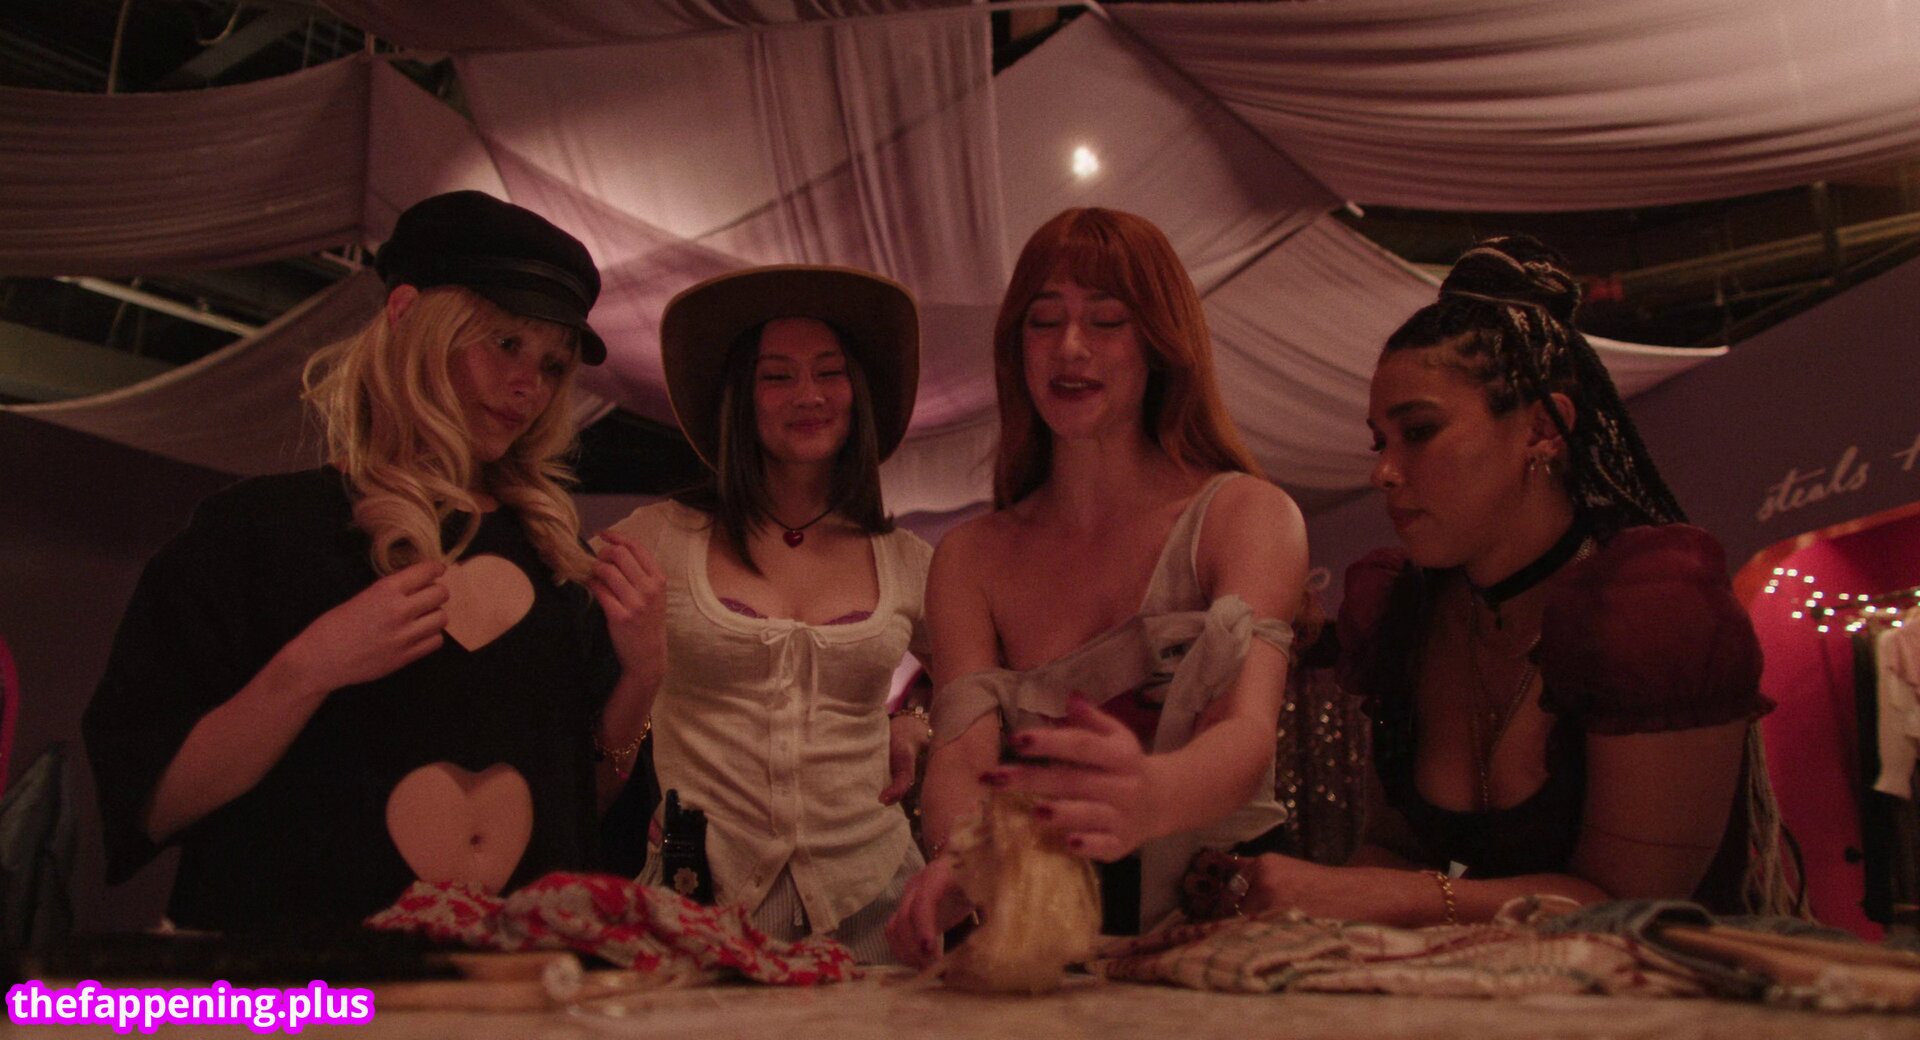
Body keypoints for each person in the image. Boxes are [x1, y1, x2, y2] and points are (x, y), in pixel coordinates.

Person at [83, 191, 661, 933]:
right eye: (505, 343)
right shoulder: (257, 530)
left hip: (507, 977)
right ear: (407, 314)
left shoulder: (558, 561)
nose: (530, 385)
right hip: (295, 973)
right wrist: (309, 667)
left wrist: (642, 676)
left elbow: (581, 812)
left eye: (552, 364)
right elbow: (154, 804)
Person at [1238, 235, 1794, 925]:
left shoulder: (1654, 612)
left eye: (1420, 430)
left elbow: (1638, 909)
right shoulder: (1407, 613)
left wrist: (1400, 896)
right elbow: (1395, 848)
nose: (1383, 472)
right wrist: (1294, 905)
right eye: (1381, 441)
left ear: (1541, 428)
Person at [887, 207, 1310, 965]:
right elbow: (960, 756)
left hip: (1220, 947)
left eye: (1107, 320)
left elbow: (1245, 733)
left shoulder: (1247, 515)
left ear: (1161, 343)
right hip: (1041, 953)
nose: (1070, 347)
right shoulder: (971, 557)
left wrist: (1156, 793)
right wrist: (966, 856)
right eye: (1044, 321)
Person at [600, 264, 931, 963]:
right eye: (777, 376)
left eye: (829, 372)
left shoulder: (908, 561)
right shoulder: (658, 539)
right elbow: (559, 685)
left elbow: (984, 687)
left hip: (876, 896)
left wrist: (917, 723)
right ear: (740, 399)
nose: (808, 395)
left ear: (857, 391)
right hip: (699, 897)